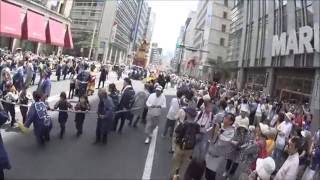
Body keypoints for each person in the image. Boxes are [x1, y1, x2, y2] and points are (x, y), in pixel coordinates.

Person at [205, 113, 235, 180]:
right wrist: (213, 129)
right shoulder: (218, 125)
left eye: (227, 118)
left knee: (212, 172)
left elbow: (225, 142)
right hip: (210, 151)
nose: (225, 119)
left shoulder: (231, 131)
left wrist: (218, 133)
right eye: (225, 117)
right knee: (207, 171)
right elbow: (208, 133)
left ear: (231, 122)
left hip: (218, 155)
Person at [171, 107, 199, 179]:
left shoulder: (183, 124)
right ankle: (180, 177)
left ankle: (174, 177)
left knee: (176, 163)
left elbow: (177, 133)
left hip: (180, 147)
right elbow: (197, 135)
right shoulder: (197, 125)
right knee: (184, 165)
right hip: (190, 148)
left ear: (188, 114)